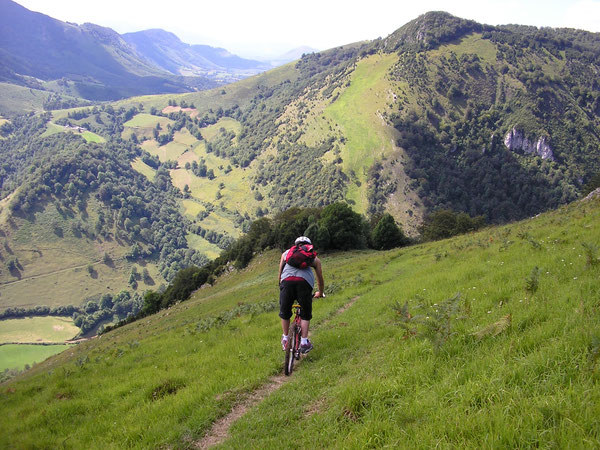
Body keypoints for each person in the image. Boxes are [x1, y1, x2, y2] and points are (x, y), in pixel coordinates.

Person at [278, 236, 324, 353]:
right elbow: (320, 279)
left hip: (287, 282)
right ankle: (304, 342)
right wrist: (320, 292)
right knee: (305, 313)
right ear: (308, 246)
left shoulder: (285, 254)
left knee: (285, 312)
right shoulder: (314, 258)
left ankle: (285, 338)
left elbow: (280, 274)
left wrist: (282, 286)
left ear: (296, 245)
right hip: (304, 284)